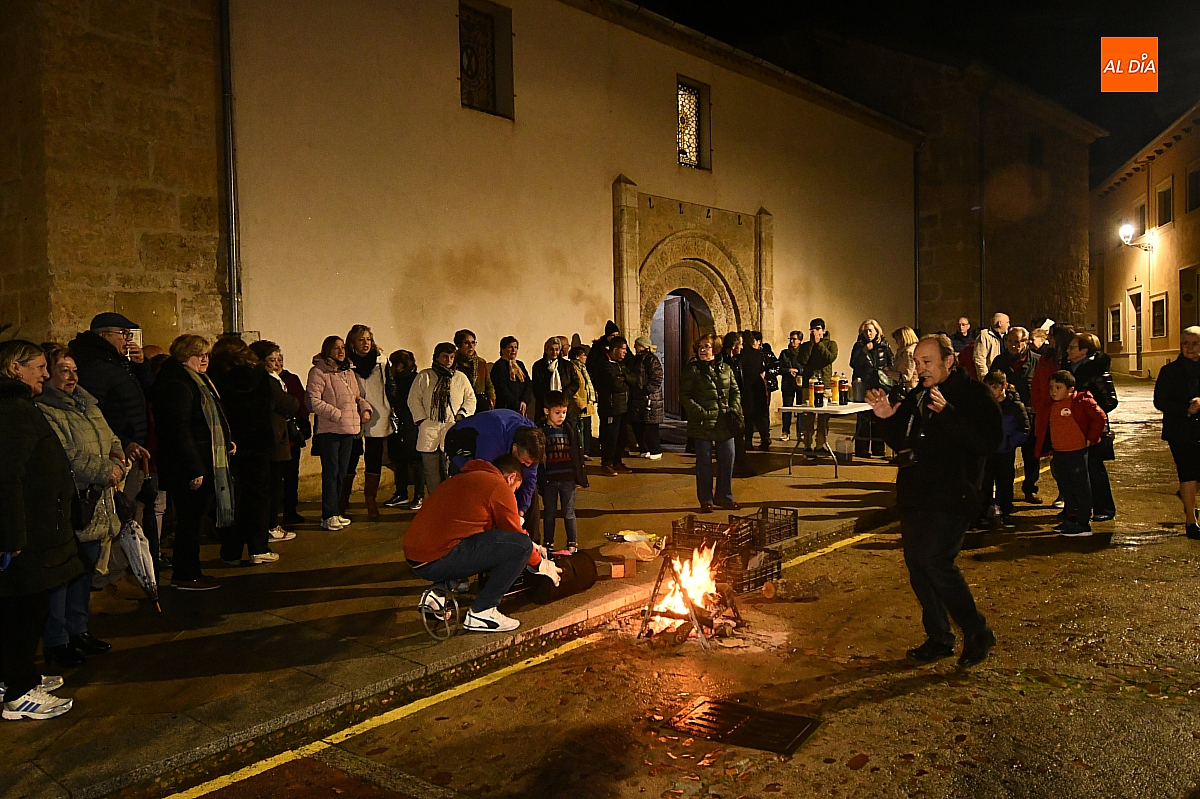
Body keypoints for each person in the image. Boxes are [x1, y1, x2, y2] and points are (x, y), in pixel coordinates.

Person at [866, 334, 1000, 668]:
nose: (920, 368)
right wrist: (884, 417)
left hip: (954, 494)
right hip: (916, 493)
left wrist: (949, 413)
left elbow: (988, 441)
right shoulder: (918, 395)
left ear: (948, 361)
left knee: (936, 561)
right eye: (917, 362)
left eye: (927, 362)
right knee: (918, 566)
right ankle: (940, 636)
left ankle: (977, 630)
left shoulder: (973, 395)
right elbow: (902, 440)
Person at [0, 340, 82, 720]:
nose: (45, 375)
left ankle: (16, 675)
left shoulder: (17, 407)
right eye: (38, 367)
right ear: (15, 368)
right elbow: (8, 476)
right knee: (24, 610)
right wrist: (12, 537)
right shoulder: (13, 410)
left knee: (23, 608)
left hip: (34, 529)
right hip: (29, 535)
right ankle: (19, 691)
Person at [33, 345, 128, 670]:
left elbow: (111, 438)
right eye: (63, 371)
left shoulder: (88, 405)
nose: (72, 377)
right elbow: (66, 453)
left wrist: (117, 459)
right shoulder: (45, 410)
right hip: (68, 505)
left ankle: (79, 630)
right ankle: (56, 640)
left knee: (84, 574)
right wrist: (106, 471)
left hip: (95, 506)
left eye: (74, 371)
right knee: (61, 576)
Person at [402, 455, 560, 633]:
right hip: (437, 558)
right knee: (521, 546)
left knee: (477, 544)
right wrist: (540, 563)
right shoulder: (498, 485)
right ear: (511, 477)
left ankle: (436, 595)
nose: (513, 495)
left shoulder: (466, 478)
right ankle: (483, 611)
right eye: (515, 490)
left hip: (416, 556)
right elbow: (515, 536)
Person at [69, 313, 154, 593]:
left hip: (128, 450)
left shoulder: (115, 363)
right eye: (123, 333)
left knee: (126, 515)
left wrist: (140, 366)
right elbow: (100, 414)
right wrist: (123, 443)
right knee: (113, 520)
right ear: (103, 335)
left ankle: (116, 578)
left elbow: (143, 394)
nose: (128, 340)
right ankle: (104, 584)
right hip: (114, 456)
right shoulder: (96, 365)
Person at [154, 335, 231, 591]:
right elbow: (180, 430)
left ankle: (191, 570)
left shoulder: (195, 381)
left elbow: (210, 418)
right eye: (200, 355)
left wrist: (226, 440)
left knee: (194, 521)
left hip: (199, 460)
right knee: (190, 522)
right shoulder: (179, 384)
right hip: (189, 466)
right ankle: (186, 574)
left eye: (207, 355)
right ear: (185, 355)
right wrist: (195, 469)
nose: (205, 359)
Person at [208, 336, 284, 565]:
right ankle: (258, 548)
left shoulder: (214, 376)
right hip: (258, 441)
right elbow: (270, 404)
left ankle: (231, 551)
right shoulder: (257, 374)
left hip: (228, 442)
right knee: (258, 496)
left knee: (232, 497)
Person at [307, 336, 371, 531]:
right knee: (331, 472)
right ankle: (328, 514)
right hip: (330, 430)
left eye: (343, 348)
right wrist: (337, 414)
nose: (341, 351)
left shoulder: (348, 372)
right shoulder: (318, 372)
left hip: (349, 430)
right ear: (327, 350)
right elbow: (312, 400)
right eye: (336, 348)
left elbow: (356, 397)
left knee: (342, 473)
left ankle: (336, 511)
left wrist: (365, 408)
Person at [445, 409, 546, 528]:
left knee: (528, 494)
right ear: (514, 448)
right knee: (477, 493)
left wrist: (520, 513)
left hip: (498, 441)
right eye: (525, 462)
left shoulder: (533, 439)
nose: (528, 465)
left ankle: (531, 541)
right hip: (461, 444)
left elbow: (530, 479)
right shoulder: (492, 440)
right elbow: (484, 480)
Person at [1037, 370, 1107, 537]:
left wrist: (1091, 438)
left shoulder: (1080, 401)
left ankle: (1083, 522)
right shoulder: (1052, 404)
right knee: (1066, 486)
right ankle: (1071, 518)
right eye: (1051, 387)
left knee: (1080, 486)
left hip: (1076, 452)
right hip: (1059, 452)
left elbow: (1100, 417)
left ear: (1070, 389)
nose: (1053, 391)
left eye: (1058, 387)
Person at [246, 341, 302, 542]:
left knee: (276, 485)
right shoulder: (266, 380)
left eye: (279, 359)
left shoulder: (275, 378)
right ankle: (269, 526)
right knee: (271, 487)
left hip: (277, 436)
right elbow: (289, 403)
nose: (276, 364)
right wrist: (291, 403)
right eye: (271, 360)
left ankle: (271, 524)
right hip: (272, 438)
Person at [680, 334, 743, 513]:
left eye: (706, 346)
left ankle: (724, 496)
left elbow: (735, 391)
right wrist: (701, 412)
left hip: (724, 422)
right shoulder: (693, 370)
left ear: (715, 348)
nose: (702, 350)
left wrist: (733, 407)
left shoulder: (725, 369)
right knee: (704, 464)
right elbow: (685, 395)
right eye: (700, 347)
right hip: (703, 422)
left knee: (727, 459)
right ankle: (706, 500)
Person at [409, 343, 476, 495]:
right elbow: (414, 399)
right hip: (430, 429)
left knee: (450, 471)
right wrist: (422, 420)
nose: (448, 360)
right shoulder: (425, 376)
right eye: (445, 356)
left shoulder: (460, 378)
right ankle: (435, 504)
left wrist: (462, 414)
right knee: (431, 472)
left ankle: (450, 504)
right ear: (436, 357)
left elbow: (470, 399)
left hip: (451, 428)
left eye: (452, 357)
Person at [1065, 333, 1118, 521]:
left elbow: (1110, 401)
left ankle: (1104, 508)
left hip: (1092, 428)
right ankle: (1077, 507)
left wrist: (1089, 412)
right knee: (1075, 469)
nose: (1068, 351)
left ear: (1084, 351)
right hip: (1072, 426)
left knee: (1094, 468)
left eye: (1072, 347)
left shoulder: (1097, 372)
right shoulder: (1069, 369)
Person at [1154, 327, 1200, 539]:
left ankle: (1189, 501)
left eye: (1195, 343)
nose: (1190, 348)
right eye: (1186, 343)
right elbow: (1160, 401)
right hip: (1181, 431)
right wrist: (1185, 409)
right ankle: (1191, 520)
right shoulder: (1169, 371)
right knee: (1188, 472)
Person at [345, 325, 394, 521]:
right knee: (351, 458)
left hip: (378, 413)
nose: (366, 344)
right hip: (353, 414)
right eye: (361, 340)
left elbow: (390, 385)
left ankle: (370, 499)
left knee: (374, 458)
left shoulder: (381, 361)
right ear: (353, 343)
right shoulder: (346, 363)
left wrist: (391, 407)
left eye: (368, 339)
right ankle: (343, 499)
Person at [990, 327, 1042, 503]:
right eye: (1011, 341)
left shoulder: (1037, 362)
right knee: (1006, 458)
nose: (1014, 345)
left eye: (1018, 341)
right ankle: (1006, 495)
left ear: (1026, 342)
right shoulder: (1000, 361)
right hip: (1007, 416)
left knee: (1031, 455)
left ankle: (1030, 488)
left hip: (1030, 414)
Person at [538, 391, 588, 552]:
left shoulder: (570, 429)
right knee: (549, 513)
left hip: (568, 478)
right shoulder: (541, 431)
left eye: (564, 412)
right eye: (557, 412)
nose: (561, 416)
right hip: (549, 479)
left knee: (569, 512)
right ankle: (548, 542)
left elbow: (577, 456)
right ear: (547, 411)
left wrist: (579, 478)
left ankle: (572, 542)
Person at [978, 370, 1029, 529]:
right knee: (984, 484)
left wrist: (1009, 443)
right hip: (987, 452)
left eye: (994, 387)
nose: (991, 391)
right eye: (988, 387)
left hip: (1005, 453)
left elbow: (1025, 429)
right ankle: (984, 514)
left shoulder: (1014, 406)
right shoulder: (984, 405)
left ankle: (1005, 512)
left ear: (1004, 386)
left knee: (1005, 484)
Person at [383, 350, 426, 510]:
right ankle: (401, 493)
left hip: (410, 424)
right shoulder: (397, 380)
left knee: (415, 460)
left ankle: (419, 495)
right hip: (399, 424)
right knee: (400, 459)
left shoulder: (413, 380)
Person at [796, 318, 839, 456]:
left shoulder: (831, 344)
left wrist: (819, 344)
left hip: (825, 385)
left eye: (818, 328)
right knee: (808, 415)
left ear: (824, 330)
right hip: (808, 385)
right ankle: (807, 445)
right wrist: (811, 345)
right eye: (813, 328)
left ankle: (820, 444)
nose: (816, 331)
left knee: (824, 417)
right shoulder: (805, 346)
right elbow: (803, 361)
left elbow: (829, 358)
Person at [850, 319, 892, 458]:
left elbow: (890, 362)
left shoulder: (884, 345)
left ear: (876, 331)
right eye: (866, 331)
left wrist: (888, 374)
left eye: (870, 330)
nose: (868, 333)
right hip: (865, 383)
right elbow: (853, 363)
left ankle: (878, 448)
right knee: (864, 418)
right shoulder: (859, 346)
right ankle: (862, 448)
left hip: (880, 384)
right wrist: (863, 351)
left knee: (879, 416)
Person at [593, 336, 634, 476]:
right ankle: (607, 463)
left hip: (623, 406)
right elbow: (615, 385)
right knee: (609, 436)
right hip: (610, 407)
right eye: (623, 349)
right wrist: (623, 380)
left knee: (622, 436)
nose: (625, 352)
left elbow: (633, 379)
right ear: (615, 349)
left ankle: (617, 461)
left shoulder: (621, 364)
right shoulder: (604, 365)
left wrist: (624, 378)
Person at [628, 336, 665, 459]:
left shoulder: (651, 359)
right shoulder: (637, 359)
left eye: (637, 345)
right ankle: (645, 449)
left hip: (650, 398)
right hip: (638, 398)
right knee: (639, 425)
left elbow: (657, 377)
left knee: (650, 426)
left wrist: (646, 390)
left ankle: (655, 450)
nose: (634, 347)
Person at [531, 337, 578, 425]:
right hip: (545, 406)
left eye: (557, 349)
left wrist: (562, 396)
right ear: (546, 350)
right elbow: (536, 387)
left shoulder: (567, 365)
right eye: (551, 349)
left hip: (565, 405)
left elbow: (575, 383)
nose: (554, 352)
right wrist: (550, 399)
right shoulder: (538, 366)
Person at [739, 331, 771, 451]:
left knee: (748, 416)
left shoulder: (741, 356)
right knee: (760, 414)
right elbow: (761, 369)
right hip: (758, 387)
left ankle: (748, 441)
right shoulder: (757, 354)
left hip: (746, 388)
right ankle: (765, 437)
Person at [454, 329, 495, 413]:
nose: (471, 346)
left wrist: (491, 398)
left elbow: (488, 383)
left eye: (473, 342)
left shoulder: (481, 362)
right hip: (461, 402)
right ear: (458, 345)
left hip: (479, 401)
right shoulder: (453, 362)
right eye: (466, 343)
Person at [567, 345, 597, 458]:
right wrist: (580, 403)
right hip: (579, 405)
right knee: (581, 430)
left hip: (586, 403)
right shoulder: (573, 368)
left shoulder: (582, 368)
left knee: (587, 429)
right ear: (577, 356)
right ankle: (582, 452)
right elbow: (575, 388)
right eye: (583, 355)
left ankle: (586, 451)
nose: (585, 357)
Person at [491, 337, 532, 416]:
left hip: (521, 407)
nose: (514, 350)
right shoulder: (499, 366)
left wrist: (524, 401)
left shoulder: (520, 365)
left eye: (516, 347)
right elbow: (501, 388)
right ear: (502, 349)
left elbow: (528, 384)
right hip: (505, 407)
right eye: (510, 347)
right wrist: (516, 404)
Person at [777, 331, 804, 441]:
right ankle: (785, 431)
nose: (792, 341)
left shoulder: (803, 353)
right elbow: (778, 367)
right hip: (788, 383)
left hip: (800, 383)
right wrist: (788, 370)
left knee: (801, 409)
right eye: (791, 339)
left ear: (800, 340)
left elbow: (806, 366)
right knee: (787, 408)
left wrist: (799, 371)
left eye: (794, 339)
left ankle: (800, 431)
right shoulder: (784, 353)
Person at [973, 313, 1011, 382]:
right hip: (992, 378)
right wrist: (985, 378)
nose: (1009, 325)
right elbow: (979, 358)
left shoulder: (1008, 336)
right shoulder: (984, 336)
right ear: (1000, 323)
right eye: (1007, 322)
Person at [887, 326, 920, 396]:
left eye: (897, 339)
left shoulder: (908, 353)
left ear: (903, 338)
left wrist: (889, 373)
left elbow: (906, 376)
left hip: (908, 390)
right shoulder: (907, 351)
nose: (896, 342)